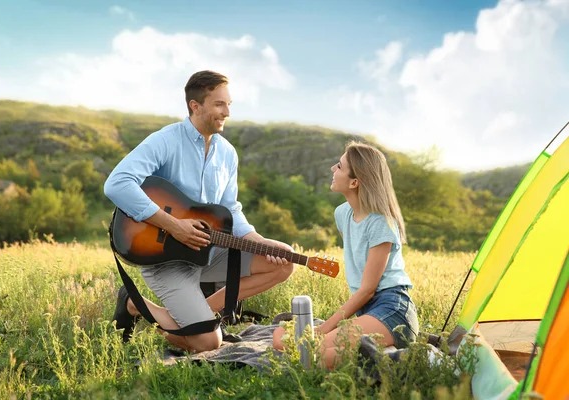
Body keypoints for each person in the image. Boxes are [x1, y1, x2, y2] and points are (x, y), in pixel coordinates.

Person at [105, 70, 294, 353]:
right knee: (208, 343)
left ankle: (201, 314)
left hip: (207, 251)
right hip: (163, 257)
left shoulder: (228, 153)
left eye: (229, 104)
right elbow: (117, 184)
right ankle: (134, 304)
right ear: (196, 106)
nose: (227, 112)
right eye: (219, 104)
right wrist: (172, 225)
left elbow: (230, 209)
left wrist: (260, 241)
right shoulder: (165, 140)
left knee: (283, 261)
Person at [273, 141, 419, 369]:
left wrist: (325, 328)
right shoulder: (342, 214)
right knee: (281, 338)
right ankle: (378, 351)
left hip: (393, 310)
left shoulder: (381, 223)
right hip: (367, 310)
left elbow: (368, 289)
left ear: (355, 182)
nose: (333, 169)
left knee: (311, 354)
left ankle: (409, 360)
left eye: (339, 167)